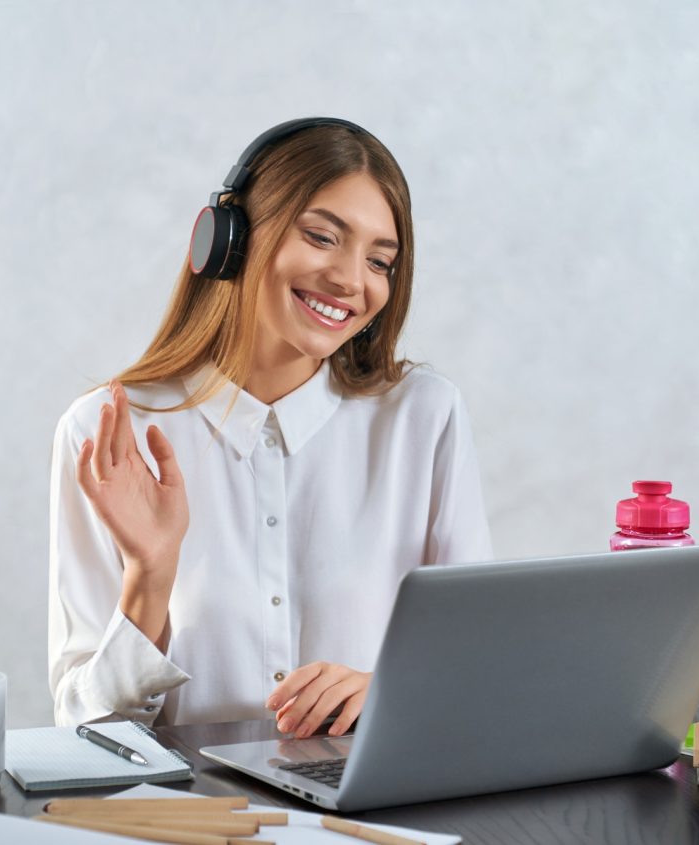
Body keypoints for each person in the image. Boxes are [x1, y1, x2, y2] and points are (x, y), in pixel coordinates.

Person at [48, 117, 493, 735]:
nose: (350, 280)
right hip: (197, 821)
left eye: (380, 260)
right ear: (231, 240)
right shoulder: (107, 434)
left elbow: (478, 670)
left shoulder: (425, 417)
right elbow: (83, 727)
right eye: (321, 236)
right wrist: (150, 574)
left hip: (372, 817)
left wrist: (391, 690)